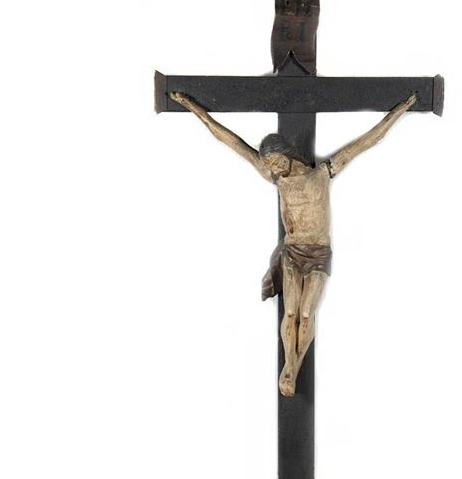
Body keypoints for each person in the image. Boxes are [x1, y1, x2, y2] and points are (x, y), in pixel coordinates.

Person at [169, 91, 417, 396]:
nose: (273, 168)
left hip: (318, 252)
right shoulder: (278, 180)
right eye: (269, 164)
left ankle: (292, 369)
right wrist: (193, 107)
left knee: (306, 314)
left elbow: (366, 142)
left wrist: (399, 111)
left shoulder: (322, 173)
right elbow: (230, 141)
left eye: (275, 161)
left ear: (287, 154)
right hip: (292, 251)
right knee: (290, 313)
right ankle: (290, 368)